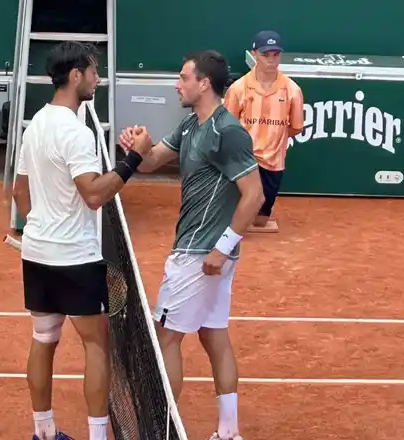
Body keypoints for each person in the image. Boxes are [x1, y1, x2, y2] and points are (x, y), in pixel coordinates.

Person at [118, 50, 265, 440]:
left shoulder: (227, 132)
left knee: (166, 336)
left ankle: (160, 430)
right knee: (213, 335)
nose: (177, 84)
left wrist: (222, 247)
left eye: (183, 77)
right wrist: (137, 148)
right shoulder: (190, 125)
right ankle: (229, 432)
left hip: (200, 255)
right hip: (206, 253)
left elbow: (254, 196)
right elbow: (150, 162)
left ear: (204, 83)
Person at [12, 41, 152, 440]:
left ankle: (43, 432)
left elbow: (20, 194)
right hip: (74, 256)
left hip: (38, 252)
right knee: (97, 346)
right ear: (76, 75)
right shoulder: (76, 132)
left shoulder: (36, 123)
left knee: (43, 341)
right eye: (94, 71)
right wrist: (134, 159)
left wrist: (35, 228)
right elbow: (94, 194)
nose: (98, 79)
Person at [223, 30, 305, 232]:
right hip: (244, 161)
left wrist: (272, 136)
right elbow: (227, 127)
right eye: (265, 54)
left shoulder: (292, 90)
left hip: (273, 162)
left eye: (275, 54)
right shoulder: (238, 89)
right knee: (238, 216)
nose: (271, 60)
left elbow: (295, 127)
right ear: (254, 54)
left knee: (259, 221)